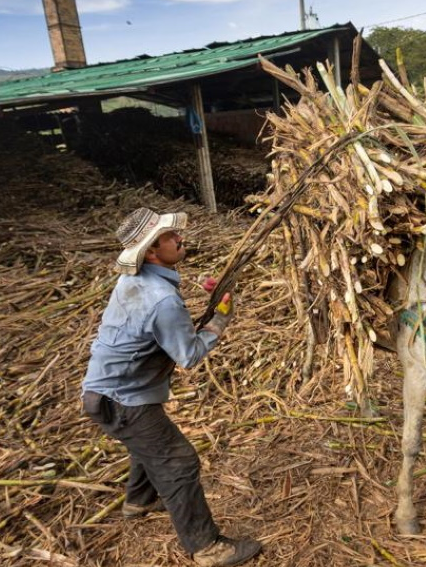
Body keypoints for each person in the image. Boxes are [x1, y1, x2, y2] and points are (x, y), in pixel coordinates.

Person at [81, 207, 262, 567]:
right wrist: (220, 320)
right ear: (151, 252)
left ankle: (141, 500)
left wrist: (209, 306)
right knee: (178, 462)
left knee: (148, 445)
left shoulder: (141, 283)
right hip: (123, 401)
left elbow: (157, 328)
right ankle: (207, 548)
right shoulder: (162, 299)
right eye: (168, 238)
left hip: (107, 392)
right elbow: (189, 355)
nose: (179, 239)